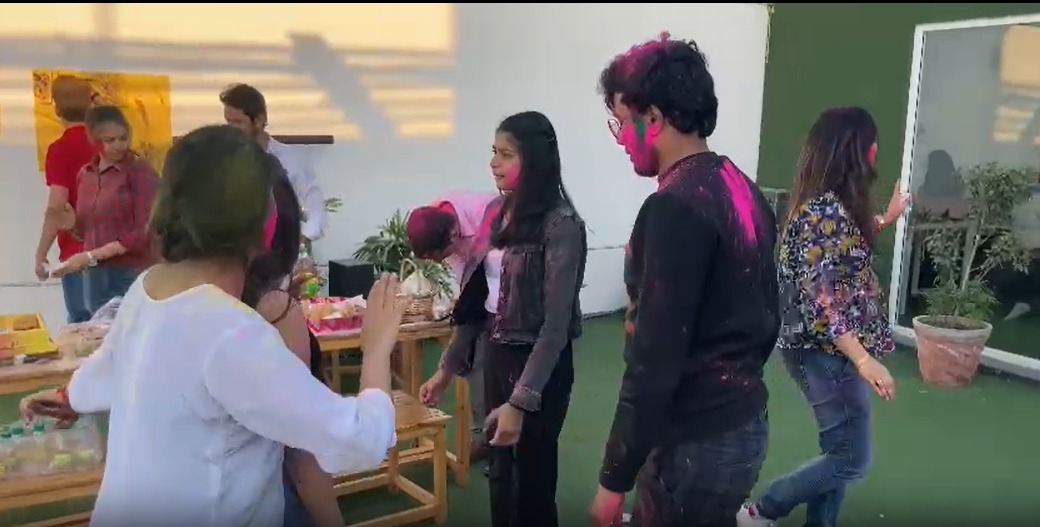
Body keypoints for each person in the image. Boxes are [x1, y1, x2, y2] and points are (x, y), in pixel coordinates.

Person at [19, 124, 400, 527]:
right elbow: (358, 439)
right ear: (266, 226)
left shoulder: (147, 289)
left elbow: (109, 365)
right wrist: (376, 349)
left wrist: (70, 396)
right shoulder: (233, 334)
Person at [588, 33, 779, 527]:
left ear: (653, 118)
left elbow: (654, 359)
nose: (620, 139)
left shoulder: (674, 207)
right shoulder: (741, 187)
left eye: (622, 122)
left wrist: (614, 479)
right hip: (743, 421)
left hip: (696, 439)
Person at [419, 110, 587, 527]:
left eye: (506, 154)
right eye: (494, 152)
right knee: (500, 474)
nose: (494, 163)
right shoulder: (497, 211)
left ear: (535, 160)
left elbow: (555, 326)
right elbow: (477, 301)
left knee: (531, 482)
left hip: (539, 367)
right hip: (497, 355)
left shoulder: (562, 225)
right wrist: (446, 370)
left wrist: (519, 401)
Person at [738, 107, 900, 527]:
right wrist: (863, 359)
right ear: (862, 152)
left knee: (839, 450)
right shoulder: (824, 213)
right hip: (826, 351)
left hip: (824, 348)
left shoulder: (825, 209)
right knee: (851, 459)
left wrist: (886, 219)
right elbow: (821, 299)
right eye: (872, 145)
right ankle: (763, 510)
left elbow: (841, 248)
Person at [241, 159, 343, 527]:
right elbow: (302, 445)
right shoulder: (273, 310)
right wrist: (378, 352)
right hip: (265, 495)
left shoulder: (157, 298)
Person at [406, 189, 501, 464]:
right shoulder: (436, 220)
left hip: (509, 282)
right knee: (474, 361)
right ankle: (484, 437)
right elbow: (468, 292)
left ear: (453, 236)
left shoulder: (486, 213)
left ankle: (504, 446)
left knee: (497, 360)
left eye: (440, 256)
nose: (440, 262)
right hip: (482, 281)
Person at [49, 105, 160, 315]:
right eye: (110, 140)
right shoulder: (86, 175)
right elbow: (88, 233)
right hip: (95, 275)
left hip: (131, 272)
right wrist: (72, 225)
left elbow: (144, 232)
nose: (119, 145)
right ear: (94, 140)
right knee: (96, 328)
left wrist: (92, 255)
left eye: (123, 138)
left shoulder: (140, 173)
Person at [221, 83, 328, 243]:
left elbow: (315, 207)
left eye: (237, 122)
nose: (231, 129)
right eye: (228, 122)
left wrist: (301, 238)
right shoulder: (224, 160)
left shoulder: (290, 158)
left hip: (280, 250)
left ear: (259, 120)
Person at [34, 75, 96, 323]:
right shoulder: (108, 146)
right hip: (116, 253)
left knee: (83, 330)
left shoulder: (60, 149)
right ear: (90, 105)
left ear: (57, 108)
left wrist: (41, 254)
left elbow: (56, 207)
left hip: (77, 254)